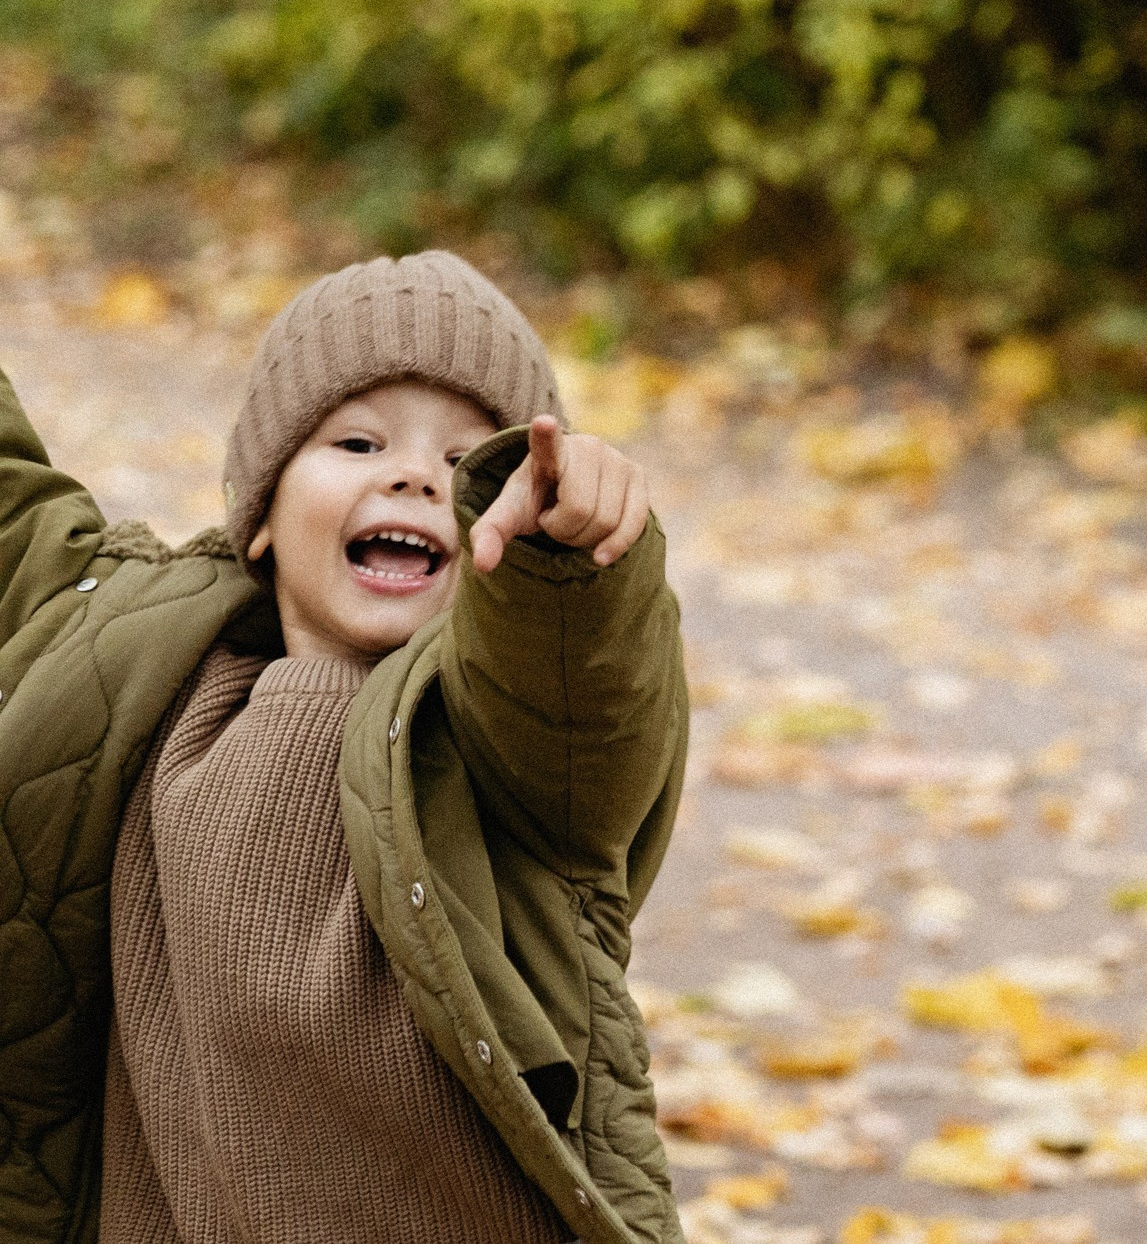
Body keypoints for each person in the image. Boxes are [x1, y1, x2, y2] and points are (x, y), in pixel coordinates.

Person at [0, 251, 688, 1243]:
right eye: (357, 441)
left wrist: (568, 562)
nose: (412, 473)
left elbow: (592, 678)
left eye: (469, 465)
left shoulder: (516, 735)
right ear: (261, 516)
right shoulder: (140, 662)